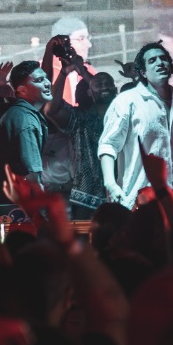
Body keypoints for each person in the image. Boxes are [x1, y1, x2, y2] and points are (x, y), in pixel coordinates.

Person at [98, 41, 173, 209]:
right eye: (152, 60)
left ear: (171, 67)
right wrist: (110, 184)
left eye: (163, 59)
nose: (159, 63)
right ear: (143, 72)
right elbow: (108, 146)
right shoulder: (127, 101)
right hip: (138, 198)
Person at [44, 46, 118, 218]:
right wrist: (64, 73)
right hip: (86, 198)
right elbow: (51, 111)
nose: (104, 86)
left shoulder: (124, 118)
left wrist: (84, 73)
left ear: (116, 91)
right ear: (90, 92)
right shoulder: (80, 120)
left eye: (108, 83)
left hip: (120, 194)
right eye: (99, 84)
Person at [0, 60, 51, 210]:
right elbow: (32, 177)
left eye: (45, 78)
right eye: (39, 80)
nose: (47, 83)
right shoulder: (25, 119)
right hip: (10, 211)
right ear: (22, 90)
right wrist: (46, 217)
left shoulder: (3, 110)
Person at [41, 16, 95, 106]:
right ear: (62, 43)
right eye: (81, 39)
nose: (89, 44)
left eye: (88, 38)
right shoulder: (41, 72)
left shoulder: (89, 71)